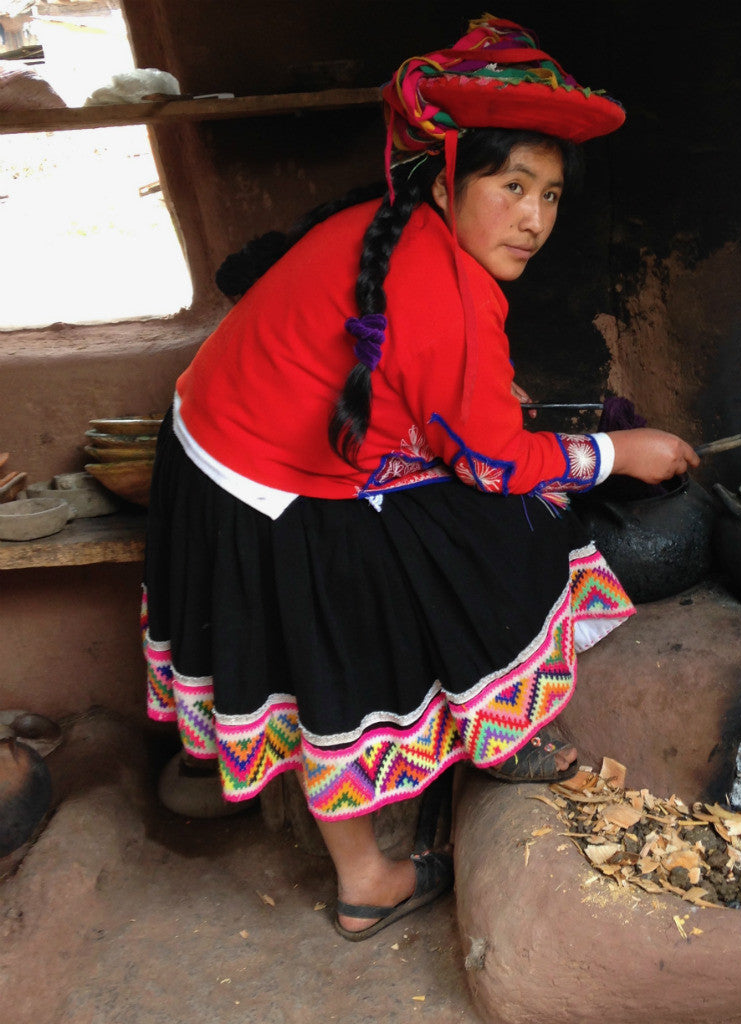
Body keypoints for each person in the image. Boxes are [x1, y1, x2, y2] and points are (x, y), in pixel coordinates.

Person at [142, 14, 699, 941]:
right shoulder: (443, 288)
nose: (534, 218)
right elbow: (491, 464)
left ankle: (218, 764)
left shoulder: (394, 229)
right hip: (266, 493)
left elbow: (404, 374)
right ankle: (371, 878)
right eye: (512, 185)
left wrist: (484, 397)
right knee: (499, 530)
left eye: (552, 196)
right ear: (450, 175)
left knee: (464, 509)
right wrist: (618, 454)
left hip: (208, 450)